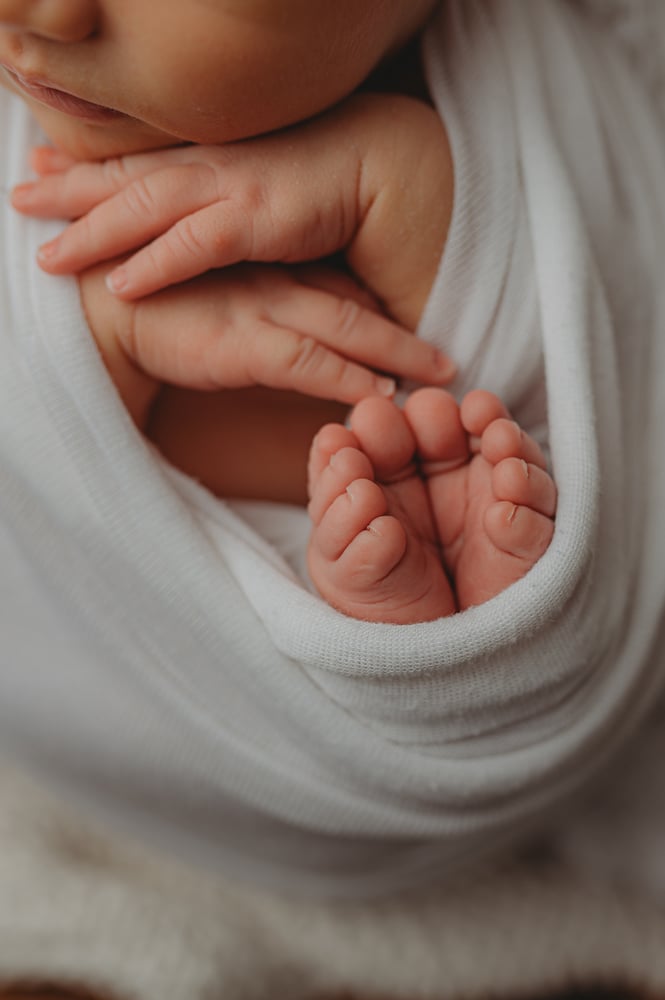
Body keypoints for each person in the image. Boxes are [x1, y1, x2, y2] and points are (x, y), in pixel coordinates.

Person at [5, 2, 555, 624]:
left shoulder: (571, 108)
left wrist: (420, 193)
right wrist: (96, 334)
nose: (32, 14)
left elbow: (603, 402)